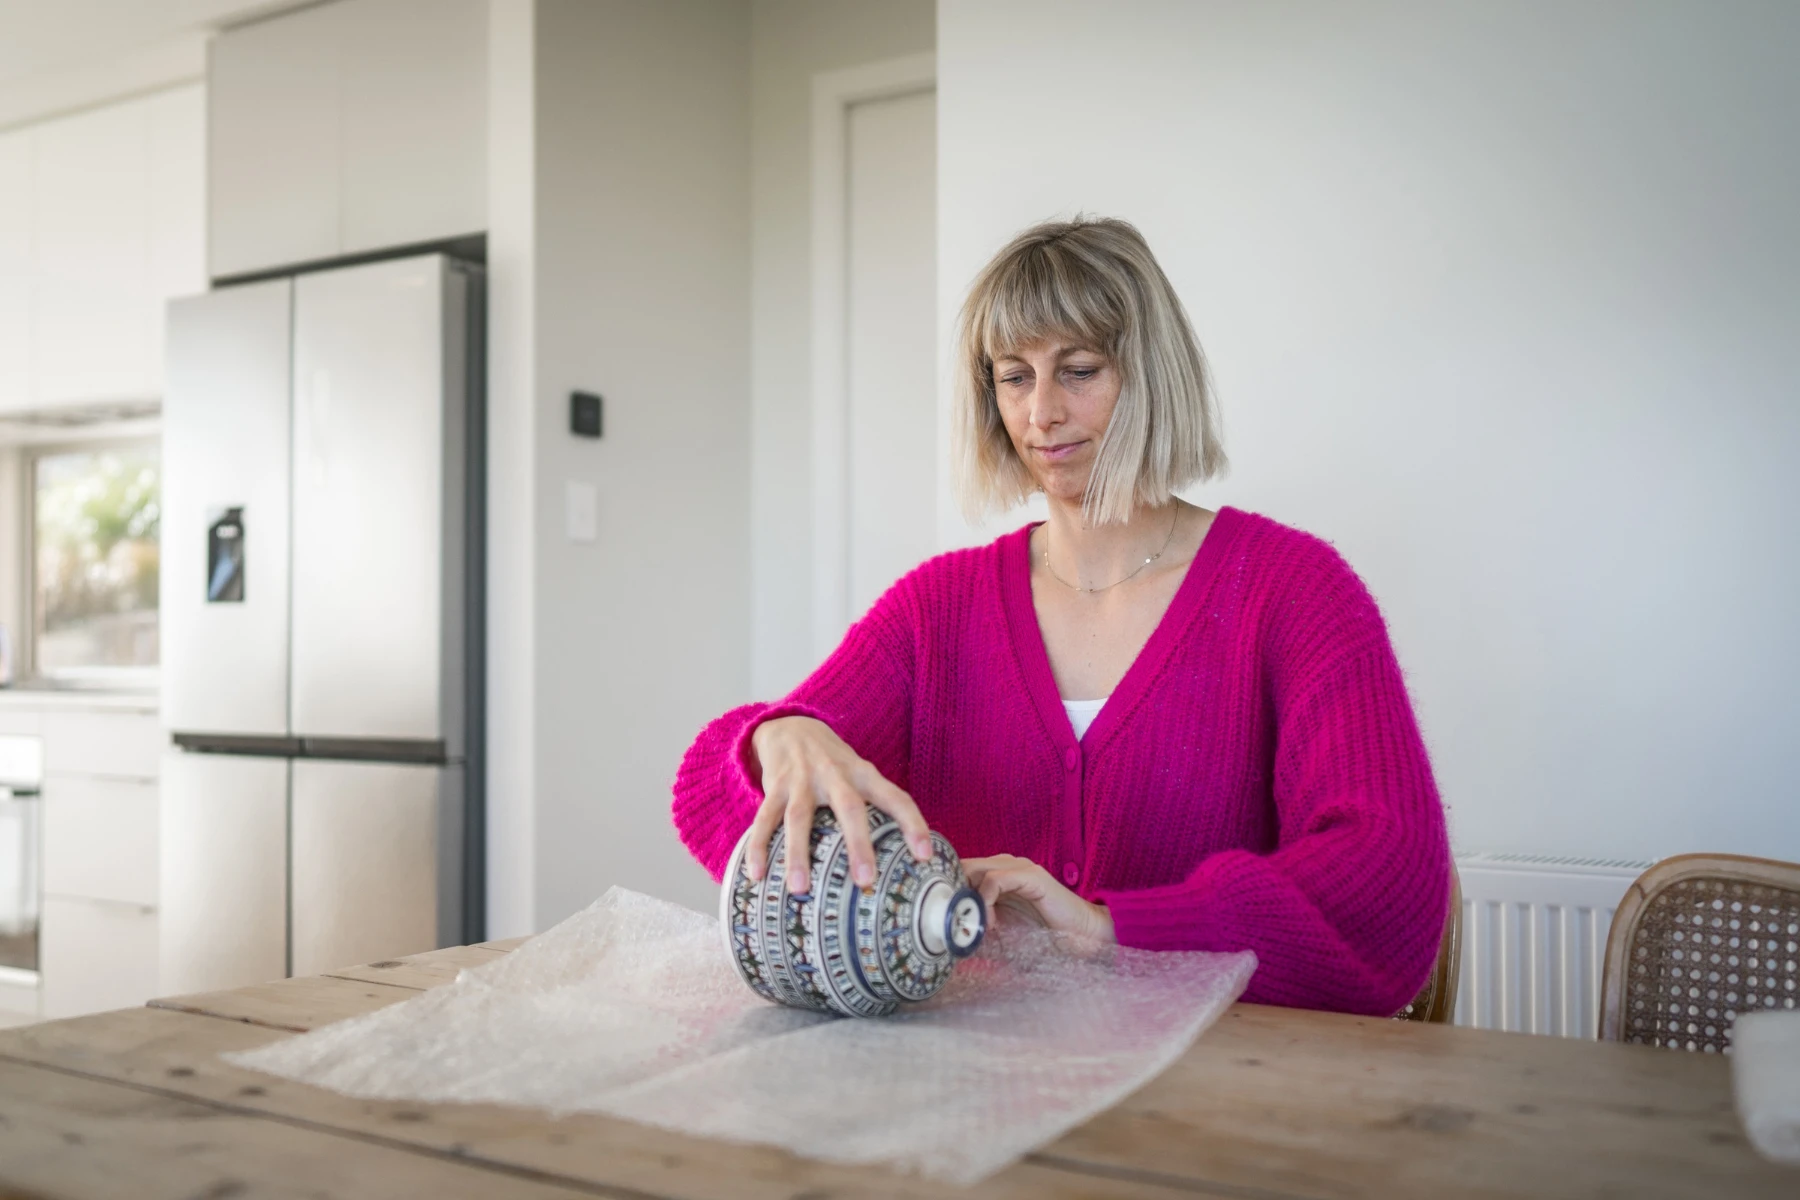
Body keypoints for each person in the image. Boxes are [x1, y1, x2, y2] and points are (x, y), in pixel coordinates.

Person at [672, 216, 1451, 1016]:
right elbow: (709, 792)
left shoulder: (1295, 591)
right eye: (1013, 377)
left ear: (1150, 376)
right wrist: (779, 738)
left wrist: (1111, 929)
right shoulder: (937, 608)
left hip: (1222, 1088)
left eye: (1078, 371)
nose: (1041, 413)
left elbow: (1386, 888)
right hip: (972, 1091)